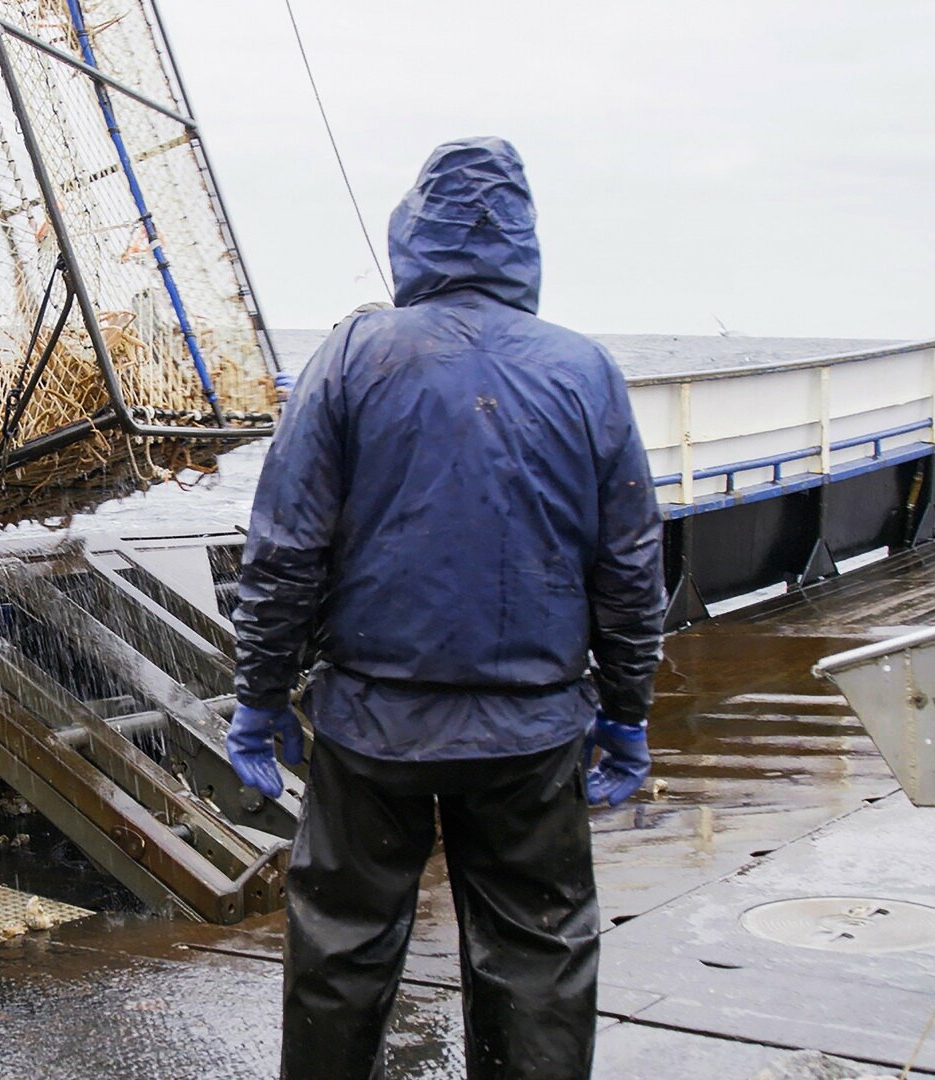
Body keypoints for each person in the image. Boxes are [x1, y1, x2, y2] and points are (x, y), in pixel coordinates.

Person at [227, 138, 664, 1079]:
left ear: (411, 234)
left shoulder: (351, 353)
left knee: (340, 951)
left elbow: (286, 548)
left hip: (370, 729)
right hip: (532, 733)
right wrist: (626, 711)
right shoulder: (586, 373)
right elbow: (630, 566)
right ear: (525, 243)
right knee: (539, 958)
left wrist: (261, 697)